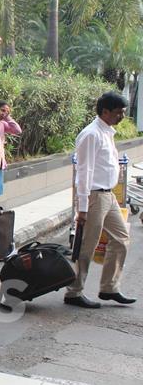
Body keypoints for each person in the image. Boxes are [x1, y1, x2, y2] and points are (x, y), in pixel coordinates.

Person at [65, 92, 134, 308]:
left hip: (108, 195)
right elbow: (84, 173)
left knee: (121, 238)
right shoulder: (91, 135)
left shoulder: (106, 132)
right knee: (87, 246)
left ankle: (109, 288)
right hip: (94, 196)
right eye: (118, 112)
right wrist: (82, 208)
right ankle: (74, 292)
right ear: (105, 111)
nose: (121, 116)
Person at [0, 100, 21, 195]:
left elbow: (17, 130)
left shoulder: (2, 123)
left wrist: (8, 118)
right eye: (2, 110)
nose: (4, 114)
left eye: (7, 112)